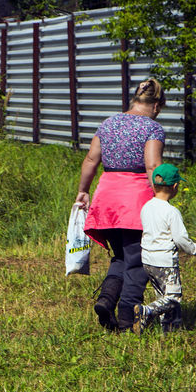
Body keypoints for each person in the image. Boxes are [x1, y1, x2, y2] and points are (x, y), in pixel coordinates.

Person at [75, 79, 166, 331]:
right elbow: (152, 166)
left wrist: (83, 191)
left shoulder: (108, 124)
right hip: (135, 201)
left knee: (120, 257)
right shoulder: (152, 128)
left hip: (107, 199)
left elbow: (91, 159)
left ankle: (106, 300)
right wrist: (161, 199)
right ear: (156, 105)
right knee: (138, 261)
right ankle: (129, 317)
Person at [133, 163, 196, 334]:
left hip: (147, 260)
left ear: (154, 185)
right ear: (175, 186)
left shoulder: (146, 207)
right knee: (173, 298)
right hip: (165, 261)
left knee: (162, 297)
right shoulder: (171, 212)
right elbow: (180, 239)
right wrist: (195, 249)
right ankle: (146, 311)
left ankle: (169, 332)